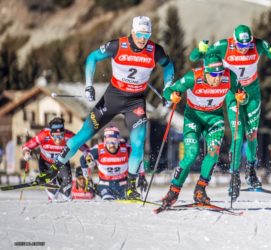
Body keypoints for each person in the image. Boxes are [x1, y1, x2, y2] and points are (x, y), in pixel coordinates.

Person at [53, 16, 174, 199]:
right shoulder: (117, 45)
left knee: (139, 142)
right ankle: (57, 165)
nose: (143, 39)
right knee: (85, 134)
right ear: (133, 32)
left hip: (135, 101)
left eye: (147, 34)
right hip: (112, 98)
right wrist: (88, 85)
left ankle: (131, 186)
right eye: (140, 34)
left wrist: (168, 89)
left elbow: (169, 66)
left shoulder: (155, 50)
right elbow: (92, 58)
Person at [190, 24, 271, 200]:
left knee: (252, 134)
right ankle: (234, 176)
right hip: (233, 94)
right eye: (241, 45)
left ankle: (251, 172)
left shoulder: (258, 44)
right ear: (234, 41)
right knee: (237, 135)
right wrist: (200, 50)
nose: (244, 49)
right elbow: (195, 57)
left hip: (252, 93)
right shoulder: (224, 46)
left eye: (247, 45)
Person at [159, 52, 242, 208]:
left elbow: (241, 91)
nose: (217, 78)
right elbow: (168, 91)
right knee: (191, 153)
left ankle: (200, 190)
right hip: (193, 118)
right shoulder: (193, 77)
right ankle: (173, 190)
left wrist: (242, 97)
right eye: (213, 74)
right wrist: (173, 96)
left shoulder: (229, 77)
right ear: (205, 71)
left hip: (214, 118)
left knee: (213, 153)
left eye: (220, 73)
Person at [22, 117, 89, 200]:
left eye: (61, 135)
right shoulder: (43, 135)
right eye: (55, 136)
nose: (58, 139)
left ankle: (67, 205)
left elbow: (85, 148)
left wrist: (88, 157)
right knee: (52, 192)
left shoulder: (69, 136)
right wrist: (26, 153)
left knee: (67, 192)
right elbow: (26, 146)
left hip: (62, 163)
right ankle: (51, 202)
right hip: (46, 163)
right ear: (51, 134)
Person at [80, 126, 140, 200]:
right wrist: (87, 178)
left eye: (114, 142)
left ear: (118, 140)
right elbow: (83, 159)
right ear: (104, 141)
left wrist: (141, 175)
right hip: (105, 185)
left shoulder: (126, 148)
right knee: (108, 202)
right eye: (108, 142)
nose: (112, 145)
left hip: (123, 185)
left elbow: (138, 157)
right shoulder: (98, 149)